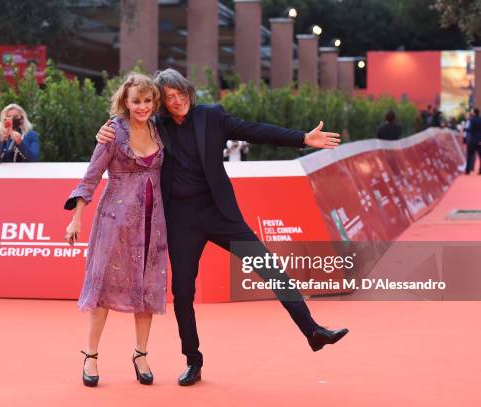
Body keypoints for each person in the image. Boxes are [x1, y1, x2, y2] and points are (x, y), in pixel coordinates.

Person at [96, 68, 348, 386]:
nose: (178, 100)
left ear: (189, 91)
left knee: (268, 267)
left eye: (181, 93)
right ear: (163, 103)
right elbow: (125, 123)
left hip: (219, 213)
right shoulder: (155, 126)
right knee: (183, 292)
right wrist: (101, 133)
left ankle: (312, 331)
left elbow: (255, 130)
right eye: (170, 98)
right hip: (182, 219)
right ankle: (193, 360)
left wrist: (302, 139)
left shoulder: (211, 116)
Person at [63, 73, 167, 387]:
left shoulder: (158, 129)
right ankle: (91, 356)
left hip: (153, 221)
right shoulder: (113, 133)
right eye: (137, 101)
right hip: (115, 222)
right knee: (104, 289)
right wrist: (76, 218)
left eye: (148, 101)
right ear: (125, 101)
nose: (143, 106)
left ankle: (141, 353)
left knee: (148, 288)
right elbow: (91, 175)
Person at [465, 108, 481, 175]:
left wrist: (464, 128)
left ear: (474, 113)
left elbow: (470, 129)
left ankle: (468, 170)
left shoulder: (472, 120)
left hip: (472, 140)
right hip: (480, 140)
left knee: (469, 155)